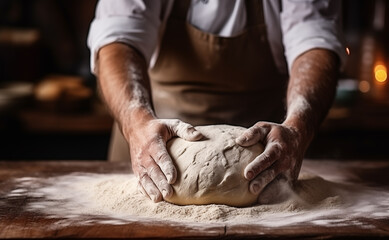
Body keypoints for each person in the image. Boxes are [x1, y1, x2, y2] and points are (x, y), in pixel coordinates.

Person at [87, 0, 346, 204]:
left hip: (268, 152)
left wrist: (297, 127)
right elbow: (117, 39)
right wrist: (136, 123)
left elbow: (314, 41)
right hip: (152, 141)